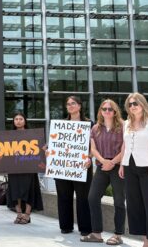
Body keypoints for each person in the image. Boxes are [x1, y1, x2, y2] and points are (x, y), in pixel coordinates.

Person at [119, 93, 148, 247]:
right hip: (129, 167)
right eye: (130, 104)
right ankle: (146, 241)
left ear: (142, 104)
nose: (132, 106)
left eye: (135, 103)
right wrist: (121, 164)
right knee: (135, 205)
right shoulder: (126, 124)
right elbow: (124, 146)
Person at [82, 99, 126, 244]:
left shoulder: (123, 126)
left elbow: (126, 148)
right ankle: (96, 234)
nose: (107, 111)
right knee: (92, 197)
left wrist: (112, 162)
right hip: (102, 166)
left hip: (118, 166)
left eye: (110, 109)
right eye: (104, 109)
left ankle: (118, 235)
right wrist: (104, 161)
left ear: (115, 112)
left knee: (119, 201)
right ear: (100, 111)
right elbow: (93, 149)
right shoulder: (95, 128)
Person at [55, 95, 93, 236]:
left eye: (73, 103)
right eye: (68, 104)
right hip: (63, 166)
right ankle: (65, 226)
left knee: (83, 197)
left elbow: (95, 146)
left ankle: (85, 228)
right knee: (64, 196)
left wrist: (90, 157)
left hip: (82, 166)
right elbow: (56, 145)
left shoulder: (90, 124)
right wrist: (50, 152)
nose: (70, 106)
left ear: (79, 106)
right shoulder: (61, 124)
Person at [7, 112, 43, 225]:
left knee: (29, 190)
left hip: (29, 167)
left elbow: (38, 149)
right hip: (14, 167)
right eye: (16, 119)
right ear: (13, 121)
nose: (18, 121)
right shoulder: (8, 135)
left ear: (25, 121)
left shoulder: (32, 134)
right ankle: (19, 213)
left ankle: (27, 215)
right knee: (15, 190)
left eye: (20, 119)